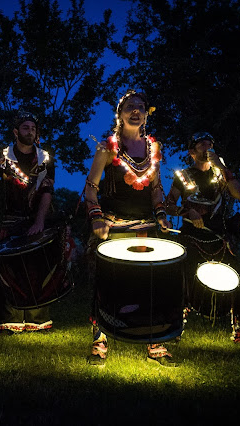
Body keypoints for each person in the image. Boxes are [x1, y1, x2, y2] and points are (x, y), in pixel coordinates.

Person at [84, 90, 174, 367]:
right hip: (114, 228)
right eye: (130, 107)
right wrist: (97, 218)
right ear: (120, 115)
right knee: (110, 284)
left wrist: (162, 214)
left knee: (150, 285)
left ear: (146, 114)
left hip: (146, 228)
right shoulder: (107, 149)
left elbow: (156, 189)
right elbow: (90, 189)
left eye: (141, 107)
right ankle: (101, 340)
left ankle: (155, 342)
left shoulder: (153, 150)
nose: (136, 111)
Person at [164, 131, 240, 346]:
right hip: (192, 238)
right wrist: (187, 213)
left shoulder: (221, 174)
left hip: (218, 239)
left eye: (210, 143)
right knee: (183, 284)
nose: (207, 146)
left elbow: (239, 194)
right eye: (201, 144)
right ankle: (175, 330)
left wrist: (223, 168)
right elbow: (168, 205)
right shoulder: (184, 175)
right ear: (191, 151)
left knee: (238, 282)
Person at [0, 111, 58, 334]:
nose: (31, 132)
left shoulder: (45, 158)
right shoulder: (3, 157)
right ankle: (10, 320)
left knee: (38, 269)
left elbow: (47, 191)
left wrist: (39, 221)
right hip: (11, 220)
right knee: (10, 270)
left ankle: (38, 320)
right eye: (26, 128)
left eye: (33, 128)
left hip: (39, 220)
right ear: (16, 132)